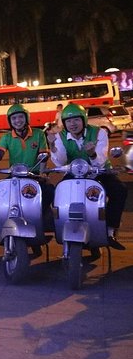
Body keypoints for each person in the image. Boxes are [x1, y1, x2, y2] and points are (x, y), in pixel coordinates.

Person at [47, 103, 127, 250]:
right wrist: (52, 147)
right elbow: (61, 161)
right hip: (74, 173)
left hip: (99, 172)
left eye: (76, 120)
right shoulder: (59, 136)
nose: (73, 124)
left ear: (83, 119)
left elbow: (100, 161)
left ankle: (109, 230)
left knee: (119, 190)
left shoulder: (99, 133)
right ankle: (62, 227)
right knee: (57, 194)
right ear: (64, 123)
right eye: (69, 121)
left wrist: (92, 154)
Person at [0, 103, 55, 234]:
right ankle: (5, 221)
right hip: (15, 175)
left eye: (20, 117)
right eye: (14, 118)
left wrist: (43, 173)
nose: (17, 121)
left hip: (35, 175)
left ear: (26, 118)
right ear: (10, 121)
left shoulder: (38, 134)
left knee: (50, 191)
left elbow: (43, 156)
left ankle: (42, 216)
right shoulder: (7, 137)